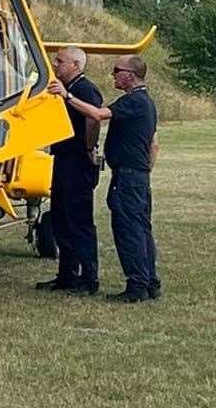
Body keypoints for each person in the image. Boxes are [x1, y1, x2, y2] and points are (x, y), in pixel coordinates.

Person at [50, 54, 160, 304]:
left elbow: (97, 115)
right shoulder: (146, 103)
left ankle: (137, 286)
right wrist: (145, 171)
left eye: (116, 70)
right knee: (141, 229)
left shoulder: (133, 101)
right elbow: (154, 144)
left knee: (129, 230)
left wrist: (67, 96)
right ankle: (149, 282)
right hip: (137, 176)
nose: (113, 74)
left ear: (129, 75)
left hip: (128, 176)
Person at [36, 47, 103, 295]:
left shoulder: (85, 90)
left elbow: (93, 119)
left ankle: (89, 278)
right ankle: (66, 275)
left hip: (77, 161)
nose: (55, 64)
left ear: (76, 64)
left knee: (79, 221)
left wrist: (89, 147)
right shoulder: (63, 90)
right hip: (63, 159)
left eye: (60, 61)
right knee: (62, 218)